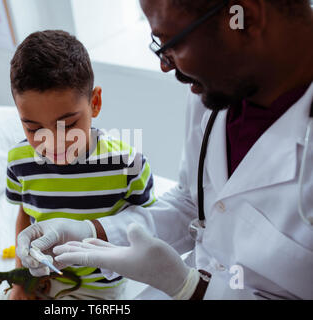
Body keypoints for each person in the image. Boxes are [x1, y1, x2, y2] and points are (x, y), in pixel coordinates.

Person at [17, 0, 313, 300]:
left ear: (243, 17)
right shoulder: (215, 92)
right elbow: (193, 203)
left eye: (172, 42)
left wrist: (190, 288)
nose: (164, 65)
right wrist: (92, 231)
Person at [6, 30, 157, 300]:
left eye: (69, 125)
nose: (52, 143)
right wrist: (21, 279)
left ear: (95, 102)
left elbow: (151, 226)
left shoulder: (127, 164)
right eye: (33, 128)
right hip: (42, 277)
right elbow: (24, 215)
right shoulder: (19, 160)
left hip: (100, 287)